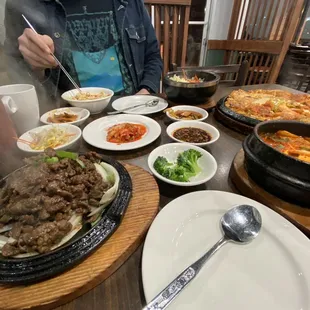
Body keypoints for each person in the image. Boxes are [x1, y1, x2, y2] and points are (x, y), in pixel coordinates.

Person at [4, 0, 163, 98]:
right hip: (66, 123)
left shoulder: (130, 2)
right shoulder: (22, 5)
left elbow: (152, 56)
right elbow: (13, 82)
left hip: (132, 110)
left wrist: (144, 93)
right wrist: (35, 68)